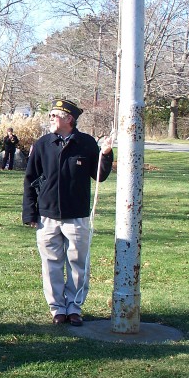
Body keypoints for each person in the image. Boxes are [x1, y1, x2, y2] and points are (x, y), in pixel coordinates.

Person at [22, 99, 114, 327]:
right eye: (51, 115)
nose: (51, 118)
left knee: (77, 264)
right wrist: (29, 213)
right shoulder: (43, 144)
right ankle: (57, 309)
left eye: (55, 115)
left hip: (77, 216)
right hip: (47, 217)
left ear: (69, 119)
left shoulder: (86, 143)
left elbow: (99, 176)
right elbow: (30, 180)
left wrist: (107, 153)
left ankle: (74, 307)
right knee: (51, 264)